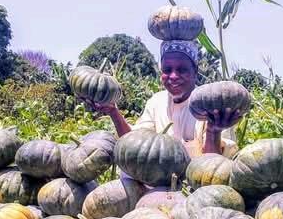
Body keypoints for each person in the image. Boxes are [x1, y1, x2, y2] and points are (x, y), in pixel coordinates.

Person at [93, 40, 242, 157]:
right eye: (167, 70)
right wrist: (113, 111)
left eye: (182, 69)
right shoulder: (156, 102)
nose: (174, 76)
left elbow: (214, 169)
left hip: (197, 187)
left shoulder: (211, 105)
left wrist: (213, 132)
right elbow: (134, 144)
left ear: (195, 71)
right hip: (160, 184)